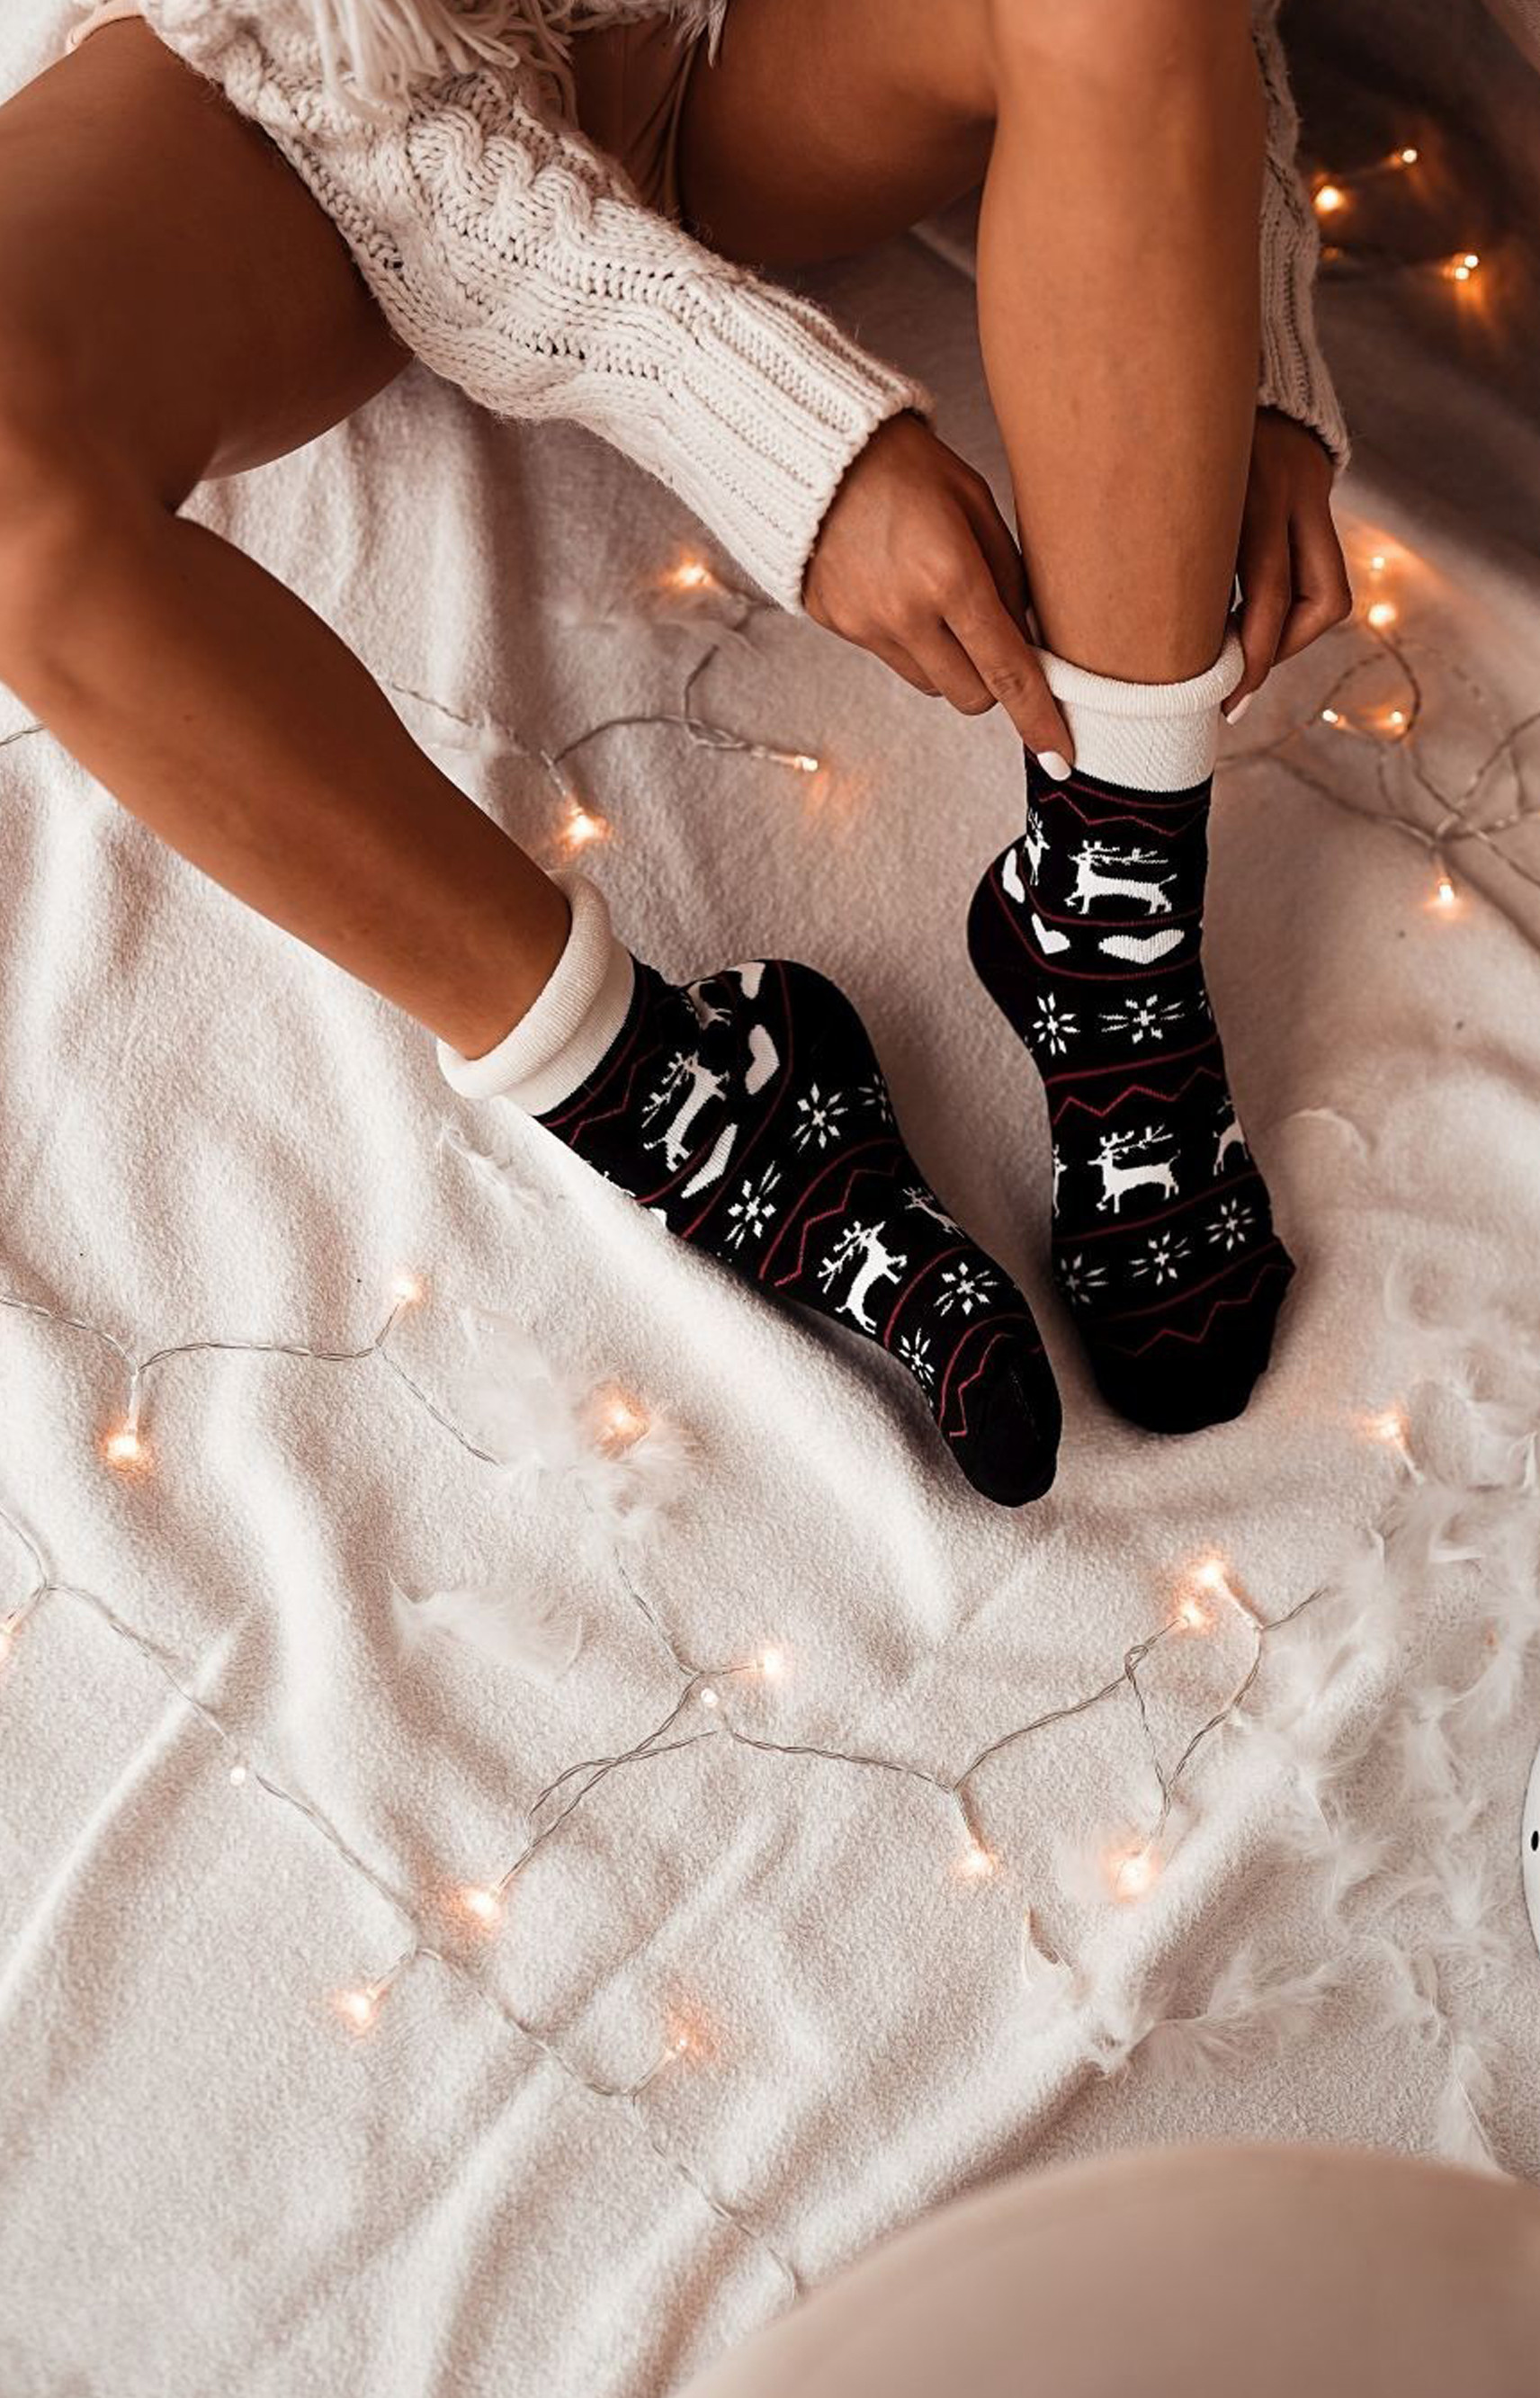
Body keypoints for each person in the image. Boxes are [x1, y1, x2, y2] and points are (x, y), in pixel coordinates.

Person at [0, 0, 1350, 1507]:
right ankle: (669, 1094)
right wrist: (774, 423)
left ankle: (1107, 919)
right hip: (320, 86)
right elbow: (355, 71)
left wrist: (1231, 304)